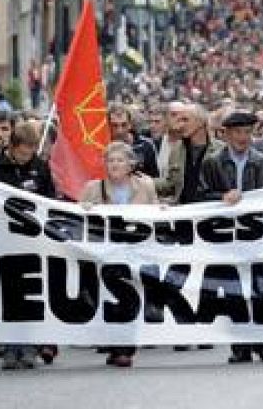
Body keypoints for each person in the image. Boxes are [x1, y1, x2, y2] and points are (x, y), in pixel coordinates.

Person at [0, 120, 56, 370]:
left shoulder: (40, 166)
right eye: (23, 153)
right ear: (12, 147)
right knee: (6, 294)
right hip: (0, 243)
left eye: (32, 153)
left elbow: (50, 200)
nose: (28, 159)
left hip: (31, 241)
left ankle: (29, 347)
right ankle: (9, 347)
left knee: (30, 294)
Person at [200, 111, 263, 363]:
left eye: (247, 132)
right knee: (234, 290)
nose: (242, 137)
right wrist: (220, 199)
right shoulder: (212, 162)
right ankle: (240, 346)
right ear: (226, 134)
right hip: (226, 235)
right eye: (237, 132)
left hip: (256, 234)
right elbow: (200, 195)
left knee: (261, 287)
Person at [79, 141, 158, 368]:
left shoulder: (146, 186)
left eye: (120, 160)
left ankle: (126, 347)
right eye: (110, 160)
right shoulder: (93, 188)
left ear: (131, 164)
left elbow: (155, 214)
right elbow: (77, 217)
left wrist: (161, 209)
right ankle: (116, 347)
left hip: (135, 253)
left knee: (131, 298)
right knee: (110, 299)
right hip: (105, 255)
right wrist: (83, 209)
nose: (114, 165)